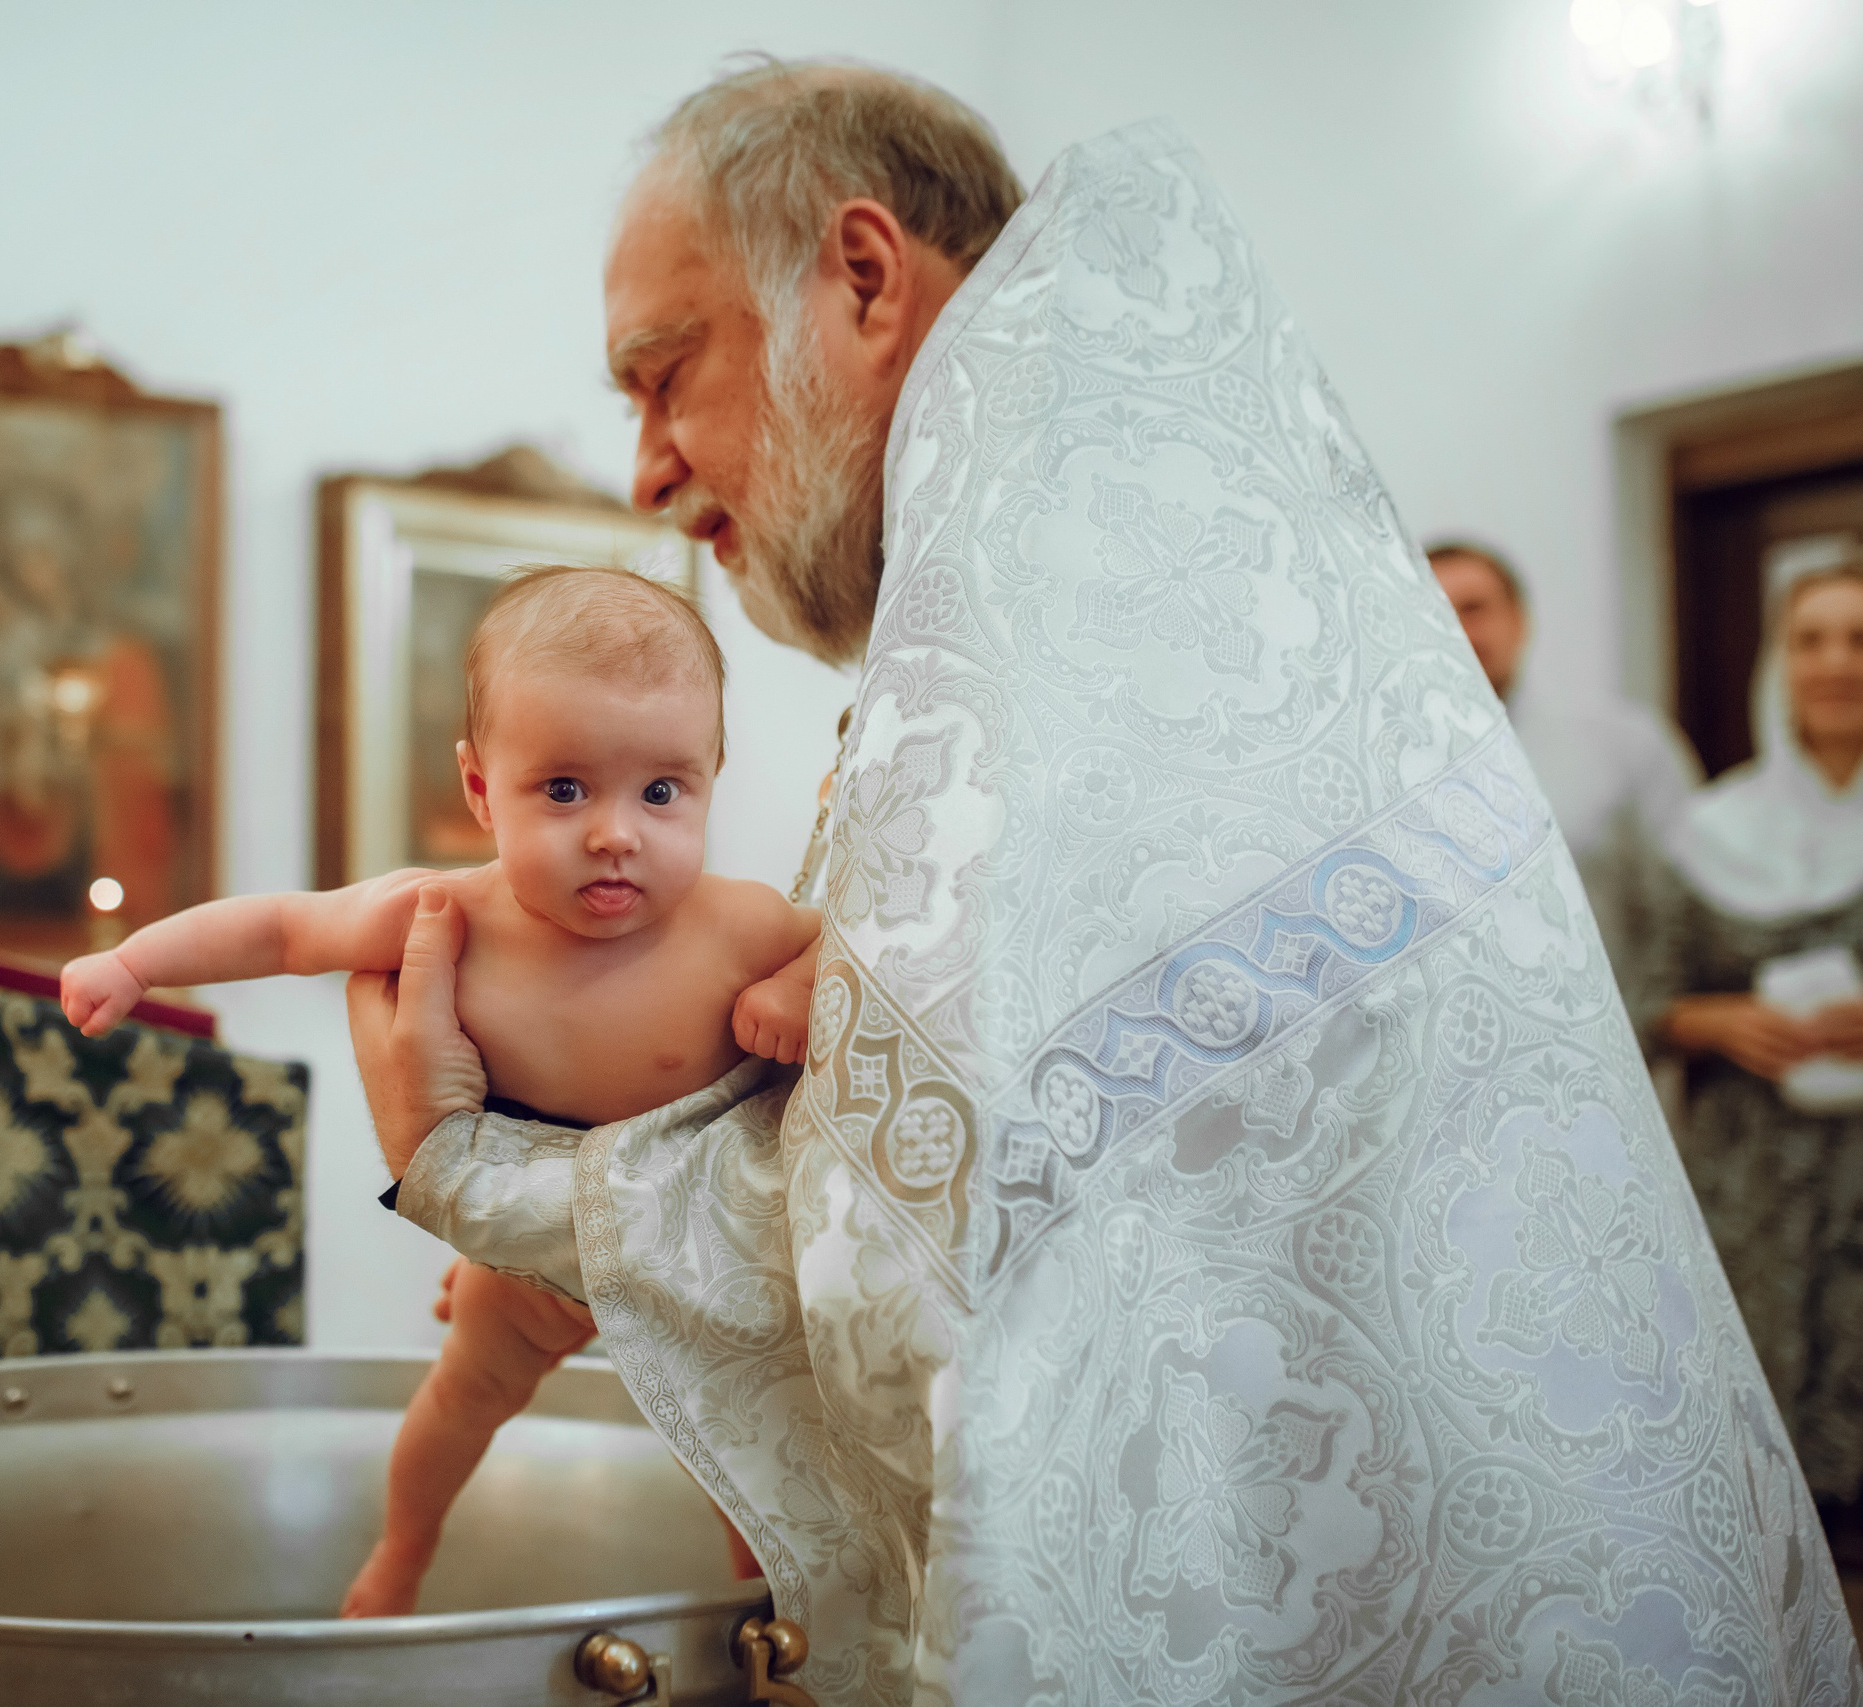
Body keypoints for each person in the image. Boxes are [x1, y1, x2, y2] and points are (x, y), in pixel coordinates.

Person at [344, 61, 1860, 1701]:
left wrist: (488, 1175)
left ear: (863, 278)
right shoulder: (1133, 555)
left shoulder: (1066, 628)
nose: (647, 466)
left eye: (666, 374)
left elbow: (929, 1255)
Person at [59, 566, 816, 1615]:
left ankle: (761, 1604)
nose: (615, 833)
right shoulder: (451, 914)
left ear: (710, 778)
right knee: (461, 1400)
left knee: (732, 1432)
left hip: (694, 1256)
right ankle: (400, 1553)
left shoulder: (739, 926)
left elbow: (857, 955)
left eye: (660, 792)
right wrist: (134, 963)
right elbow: (283, 928)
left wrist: (794, 987)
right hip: (526, 1255)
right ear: (478, 787)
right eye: (564, 789)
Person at [1633, 548, 1863, 1566]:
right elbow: (1641, 998)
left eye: (1858, 638)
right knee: (1767, 1468)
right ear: (1779, 663)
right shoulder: (1709, 830)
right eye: (1810, 639)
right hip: (1752, 1183)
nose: (1835, 662)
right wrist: (1716, 1021)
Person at [1429, 539, 1700, 1003]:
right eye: (1435, 612)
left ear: (1519, 621)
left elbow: (1685, 904)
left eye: (1474, 609)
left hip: (1619, 1030)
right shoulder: (1377, 777)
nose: (1456, 629)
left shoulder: (1623, 744)